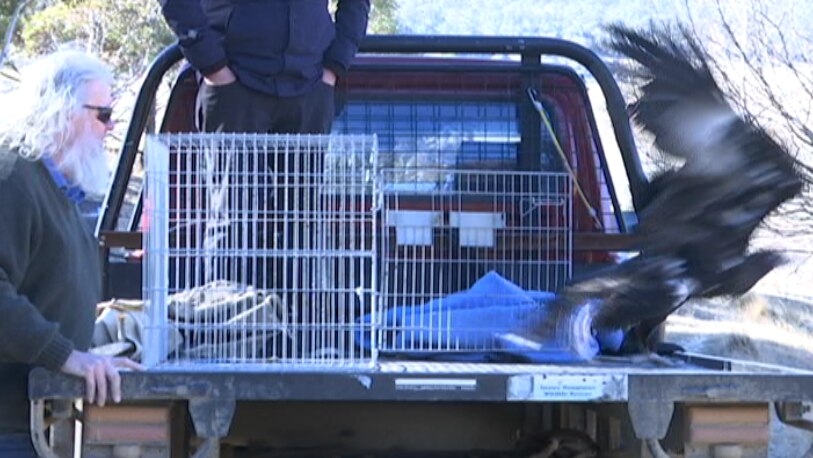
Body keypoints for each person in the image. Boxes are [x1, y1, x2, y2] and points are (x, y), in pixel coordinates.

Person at [0, 49, 144, 456]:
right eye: (102, 114)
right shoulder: (11, 175)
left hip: (31, 424)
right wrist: (67, 356)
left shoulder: (56, 187)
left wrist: (88, 355)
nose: (111, 126)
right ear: (61, 112)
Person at [160, 0, 371, 133]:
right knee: (236, 204)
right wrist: (213, 67)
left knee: (302, 204)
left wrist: (333, 66)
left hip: (310, 86)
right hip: (234, 87)